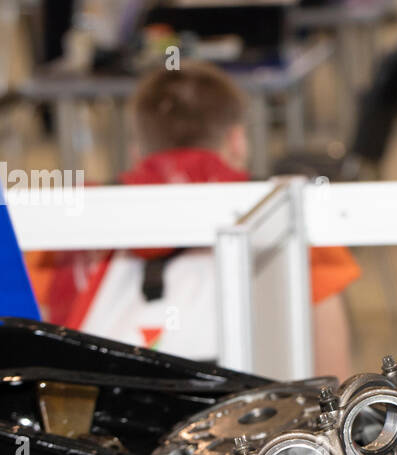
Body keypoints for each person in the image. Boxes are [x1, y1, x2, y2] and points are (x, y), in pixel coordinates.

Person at [27, 62, 360, 378]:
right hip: (255, 431)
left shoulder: (70, 222)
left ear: (137, 151)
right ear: (237, 141)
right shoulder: (291, 219)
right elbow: (332, 379)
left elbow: (34, 353)